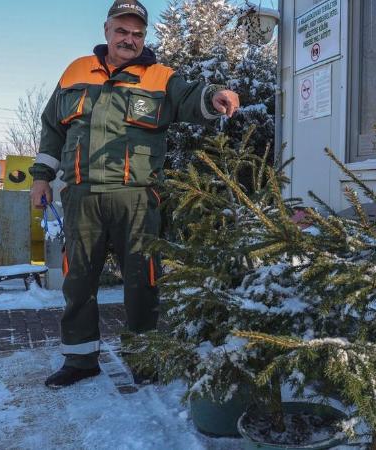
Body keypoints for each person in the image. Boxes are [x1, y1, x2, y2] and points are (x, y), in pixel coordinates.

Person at [29, 0, 240, 388]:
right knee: (78, 280)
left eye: (137, 34)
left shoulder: (160, 77)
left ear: (145, 37)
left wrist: (214, 96)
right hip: (82, 196)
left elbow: (192, 97)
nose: (129, 39)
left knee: (143, 281)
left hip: (139, 198)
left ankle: (144, 357)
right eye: (122, 31)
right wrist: (41, 176)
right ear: (106, 30)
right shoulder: (75, 72)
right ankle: (79, 359)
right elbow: (52, 130)